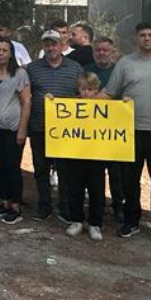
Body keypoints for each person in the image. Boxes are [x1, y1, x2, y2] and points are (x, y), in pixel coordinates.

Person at [101, 22, 151, 240]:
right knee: (129, 180)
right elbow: (109, 93)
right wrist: (79, 103)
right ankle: (131, 220)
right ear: (136, 38)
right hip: (129, 132)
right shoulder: (125, 63)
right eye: (142, 35)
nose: (146, 38)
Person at [22, 29, 83, 222]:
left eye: (54, 44)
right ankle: (44, 205)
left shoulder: (75, 68)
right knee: (41, 169)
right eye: (47, 44)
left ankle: (64, 207)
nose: (50, 48)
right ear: (43, 46)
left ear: (61, 45)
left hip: (66, 130)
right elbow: (25, 96)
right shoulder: (32, 68)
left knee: (65, 170)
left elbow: (82, 94)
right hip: (39, 127)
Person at [0, 38, 30, 224]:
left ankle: (16, 206)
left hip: (13, 129)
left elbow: (26, 102)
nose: (1, 53)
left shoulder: (20, 74)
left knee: (12, 167)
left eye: (4, 50)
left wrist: (22, 129)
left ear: (11, 53)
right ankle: (4, 202)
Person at [61, 73, 108, 242]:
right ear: (78, 89)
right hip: (75, 154)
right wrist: (51, 101)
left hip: (97, 156)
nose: (87, 92)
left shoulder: (107, 107)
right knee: (75, 188)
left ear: (97, 89)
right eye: (83, 88)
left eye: (91, 89)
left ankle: (95, 223)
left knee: (97, 191)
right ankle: (76, 220)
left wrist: (125, 103)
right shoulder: (70, 106)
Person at [85, 36, 124, 221]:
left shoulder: (120, 70)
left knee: (116, 173)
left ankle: (118, 206)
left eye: (105, 50)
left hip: (114, 130)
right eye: (98, 50)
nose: (101, 53)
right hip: (91, 131)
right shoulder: (86, 70)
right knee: (95, 173)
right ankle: (97, 206)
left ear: (112, 52)